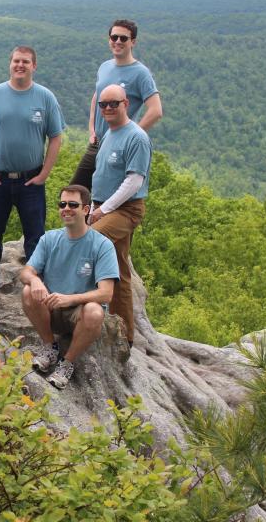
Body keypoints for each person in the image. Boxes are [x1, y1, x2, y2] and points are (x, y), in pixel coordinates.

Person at [0, 46, 65, 309]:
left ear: (34, 65)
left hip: (30, 180)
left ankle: (36, 289)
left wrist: (45, 173)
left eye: (25, 61)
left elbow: (56, 137)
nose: (19, 65)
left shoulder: (45, 97)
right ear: (10, 63)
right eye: (15, 61)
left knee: (35, 237)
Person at [20, 185, 119, 389]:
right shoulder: (49, 239)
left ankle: (67, 363)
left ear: (86, 209)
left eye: (73, 204)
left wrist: (70, 299)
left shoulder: (102, 245)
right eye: (62, 204)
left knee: (94, 311)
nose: (66, 208)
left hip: (79, 314)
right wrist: (35, 279)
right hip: (52, 310)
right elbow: (26, 272)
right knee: (28, 290)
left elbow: (106, 293)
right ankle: (50, 348)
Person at [89, 84, 152, 345]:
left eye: (113, 103)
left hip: (125, 209)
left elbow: (134, 181)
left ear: (126, 103)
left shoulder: (136, 137)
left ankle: (84, 312)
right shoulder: (109, 133)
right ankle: (124, 335)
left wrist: (103, 211)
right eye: (103, 105)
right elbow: (100, 176)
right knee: (119, 270)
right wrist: (93, 208)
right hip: (104, 206)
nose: (107, 109)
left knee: (89, 241)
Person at [70, 19, 161, 191]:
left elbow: (156, 110)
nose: (118, 41)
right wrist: (91, 128)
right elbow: (97, 95)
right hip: (96, 145)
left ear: (133, 42)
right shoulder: (104, 67)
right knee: (75, 194)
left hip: (118, 148)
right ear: (109, 39)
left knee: (108, 199)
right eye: (114, 37)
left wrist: (130, 138)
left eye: (123, 38)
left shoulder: (141, 73)